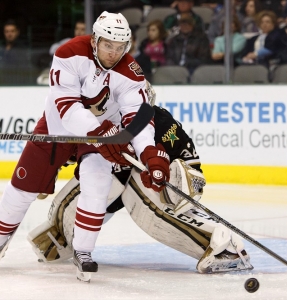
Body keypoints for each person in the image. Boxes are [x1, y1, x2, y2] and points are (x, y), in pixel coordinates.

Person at [0, 11, 170, 281]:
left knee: (97, 183)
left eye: (120, 47)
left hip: (102, 135)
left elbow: (137, 119)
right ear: (95, 40)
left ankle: (84, 251)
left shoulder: (131, 73)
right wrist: (102, 133)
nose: (114, 53)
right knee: (22, 186)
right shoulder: (69, 53)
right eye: (108, 45)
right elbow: (66, 108)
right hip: (59, 128)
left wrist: (148, 154)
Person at [27, 81, 253, 275]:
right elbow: (65, 153)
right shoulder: (98, 122)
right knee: (100, 180)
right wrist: (47, 172)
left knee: (138, 194)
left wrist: (173, 183)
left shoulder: (163, 123)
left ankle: (222, 245)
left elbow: (192, 170)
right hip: (109, 190)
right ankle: (62, 234)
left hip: (146, 189)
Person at [0, 19, 31, 85]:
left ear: (17, 32)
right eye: (7, 31)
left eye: (12, 31)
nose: (9, 34)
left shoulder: (22, 49)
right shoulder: (2, 48)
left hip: (15, 85)